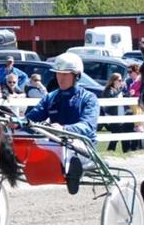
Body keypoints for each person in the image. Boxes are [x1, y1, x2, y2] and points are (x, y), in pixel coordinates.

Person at [13, 53, 98, 195]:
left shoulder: (89, 98)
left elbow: (87, 126)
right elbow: (32, 118)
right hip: (57, 145)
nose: (60, 78)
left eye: (65, 74)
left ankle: (82, 164)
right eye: (58, 74)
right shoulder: (50, 97)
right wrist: (18, 123)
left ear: (76, 76)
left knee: (71, 147)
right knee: (22, 136)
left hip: (82, 144)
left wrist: (64, 129)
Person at [101, 73, 129, 153]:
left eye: (121, 80)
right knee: (117, 132)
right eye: (119, 80)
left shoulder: (117, 90)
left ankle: (111, 149)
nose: (121, 82)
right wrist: (121, 89)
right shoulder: (108, 89)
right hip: (110, 116)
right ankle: (111, 149)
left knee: (117, 133)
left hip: (118, 116)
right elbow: (111, 100)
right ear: (114, 81)